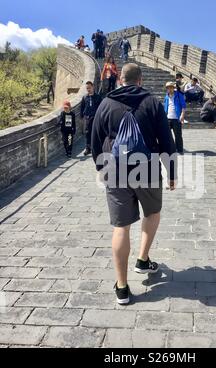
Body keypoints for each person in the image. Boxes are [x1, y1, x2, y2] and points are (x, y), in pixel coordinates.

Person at [91, 63, 177, 305]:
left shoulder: (106, 103)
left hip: (116, 171)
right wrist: (171, 172)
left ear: (120, 80)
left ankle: (122, 287)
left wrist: (101, 168)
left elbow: (95, 138)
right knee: (153, 212)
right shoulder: (151, 102)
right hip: (147, 167)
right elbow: (166, 140)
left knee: (121, 227)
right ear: (140, 80)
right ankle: (143, 258)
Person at [80, 81, 102, 156]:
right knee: (87, 133)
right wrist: (82, 117)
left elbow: (101, 108)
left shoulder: (98, 97)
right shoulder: (85, 97)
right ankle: (88, 148)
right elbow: (82, 107)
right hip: (87, 118)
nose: (88, 89)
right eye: (87, 88)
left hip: (95, 118)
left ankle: (94, 148)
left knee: (95, 133)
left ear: (93, 87)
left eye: (89, 88)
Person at [164, 82, 186, 154]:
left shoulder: (179, 95)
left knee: (178, 135)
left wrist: (182, 115)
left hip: (176, 118)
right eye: (168, 88)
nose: (169, 89)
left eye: (171, 87)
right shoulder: (166, 97)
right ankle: (169, 148)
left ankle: (179, 150)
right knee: (167, 135)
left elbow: (183, 106)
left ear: (173, 88)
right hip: (168, 118)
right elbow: (165, 107)